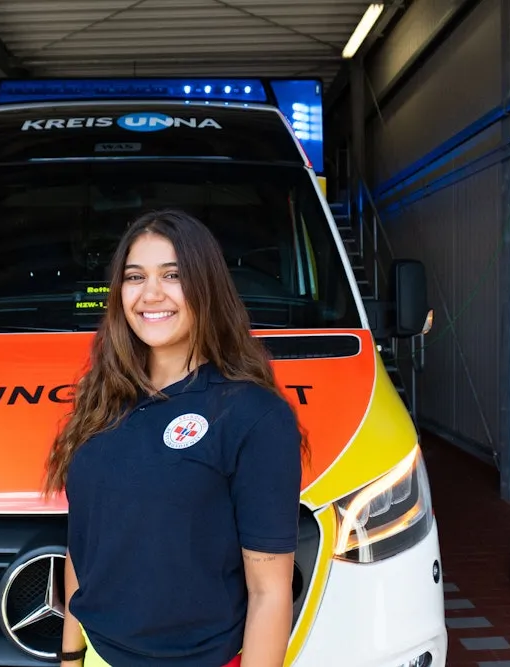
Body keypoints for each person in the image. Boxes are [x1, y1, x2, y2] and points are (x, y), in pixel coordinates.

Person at [44, 208, 307, 667]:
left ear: (207, 286)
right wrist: (70, 655)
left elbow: (269, 593)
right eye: (134, 277)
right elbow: (82, 543)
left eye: (173, 275)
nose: (150, 294)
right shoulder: (101, 398)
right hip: (98, 656)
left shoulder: (253, 415)